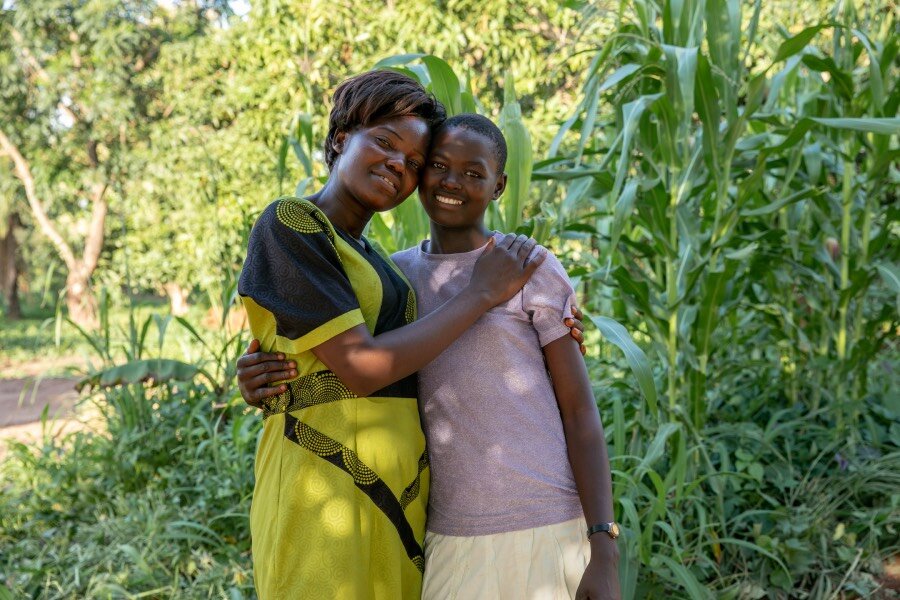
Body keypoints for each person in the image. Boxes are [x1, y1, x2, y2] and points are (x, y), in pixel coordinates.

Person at [240, 113, 621, 599]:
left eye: (473, 173)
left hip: (543, 523)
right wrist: (261, 376)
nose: (452, 182)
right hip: (443, 532)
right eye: (437, 165)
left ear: (499, 185)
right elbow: (346, 352)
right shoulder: (397, 279)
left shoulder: (527, 266)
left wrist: (603, 542)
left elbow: (580, 410)